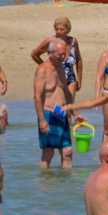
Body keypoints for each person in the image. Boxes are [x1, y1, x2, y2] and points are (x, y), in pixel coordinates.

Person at [34, 40, 76, 169]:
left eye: (65, 54)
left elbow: (65, 91)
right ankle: (45, 185)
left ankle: (66, 186)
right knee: (48, 153)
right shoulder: (42, 70)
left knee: (67, 151)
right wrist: (42, 120)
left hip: (62, 113)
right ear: (50, 53)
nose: (63, 58)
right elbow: (37, 97)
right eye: (60, 55)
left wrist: (73, 111)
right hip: (48, 114)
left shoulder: (60, 67)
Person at [30, 16, 82, 94]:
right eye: (56, 29)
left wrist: (79, 80)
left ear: (68, 30)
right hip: (55, 79)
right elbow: (34, 54)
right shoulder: (50, 41)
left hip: (71, 79)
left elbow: (79, 60)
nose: (58, 31)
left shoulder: (73, 42)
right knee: (58, 104)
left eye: (61, 29)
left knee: (69, 105)